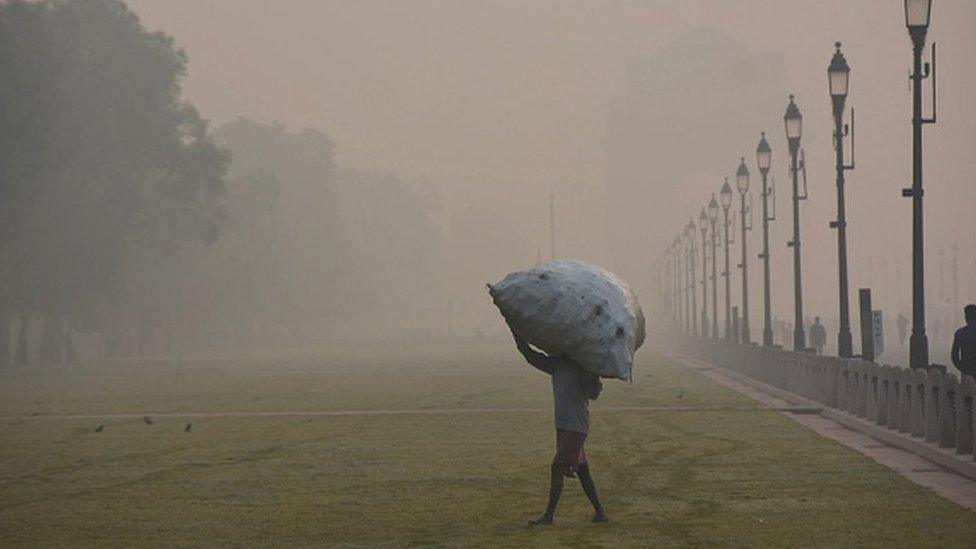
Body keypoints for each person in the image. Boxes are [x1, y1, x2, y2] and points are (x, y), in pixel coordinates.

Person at [511, 329, 609, 525]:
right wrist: (516, 332)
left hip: (576, 426)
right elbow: (530, 355)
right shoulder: (556, 364)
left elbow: (594, 393)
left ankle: (549, 516)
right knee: (583, 471)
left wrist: (592, 374)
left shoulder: (583, 366)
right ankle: (600, 514)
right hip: (564, 425)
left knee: (557, 467)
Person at [951, 304, 976, 378]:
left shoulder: (960, 333)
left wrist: (961, 367)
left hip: (967, 369)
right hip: (967, 369)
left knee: (967, 388)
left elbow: (954, 354)